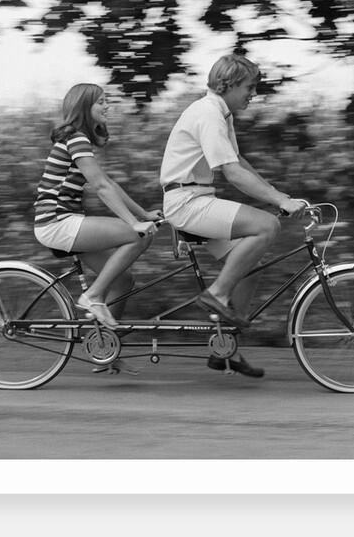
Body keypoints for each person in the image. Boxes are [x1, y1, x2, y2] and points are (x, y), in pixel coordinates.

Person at [159, 54, 307, 378]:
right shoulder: (208, 114)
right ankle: (216, 294)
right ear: (228, 84)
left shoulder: (221, 114)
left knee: (251, 270)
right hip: (186, 201)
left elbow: (237, 161)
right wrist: (278, 202)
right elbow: (232, 174)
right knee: (268, 226)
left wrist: (280, 195)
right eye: (249, 87)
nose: (253, 94)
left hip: (196, 197)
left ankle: (224, 350)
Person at [34, 83, 162, 374]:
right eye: (101, 102)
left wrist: (144, 214)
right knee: (136, 237)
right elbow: (102, 187)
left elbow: (110, 183)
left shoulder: (80, 141)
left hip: (65, 222)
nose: (107, 106)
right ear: (84, 108)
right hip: (56, 221)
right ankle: (92, 298)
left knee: (123, 281)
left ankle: (106, 350)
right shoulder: (76, 138)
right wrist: (135, 224)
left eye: (107, 101)